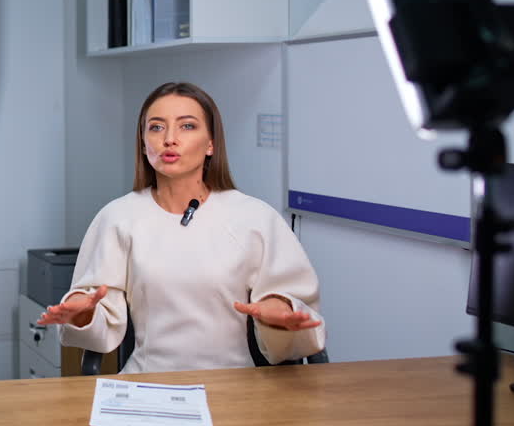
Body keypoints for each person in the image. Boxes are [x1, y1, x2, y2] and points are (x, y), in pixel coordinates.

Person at [36, 81, 324, 373]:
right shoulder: (118, 217)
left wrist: (280, 311)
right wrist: (82, 314)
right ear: (143, 141)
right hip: (147, 384)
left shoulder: (254, 217)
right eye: (156, 127)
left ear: (211, 143)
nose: (169, 139)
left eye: (187, 126)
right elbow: (98, 317)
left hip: (235, 388)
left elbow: (297, 307)